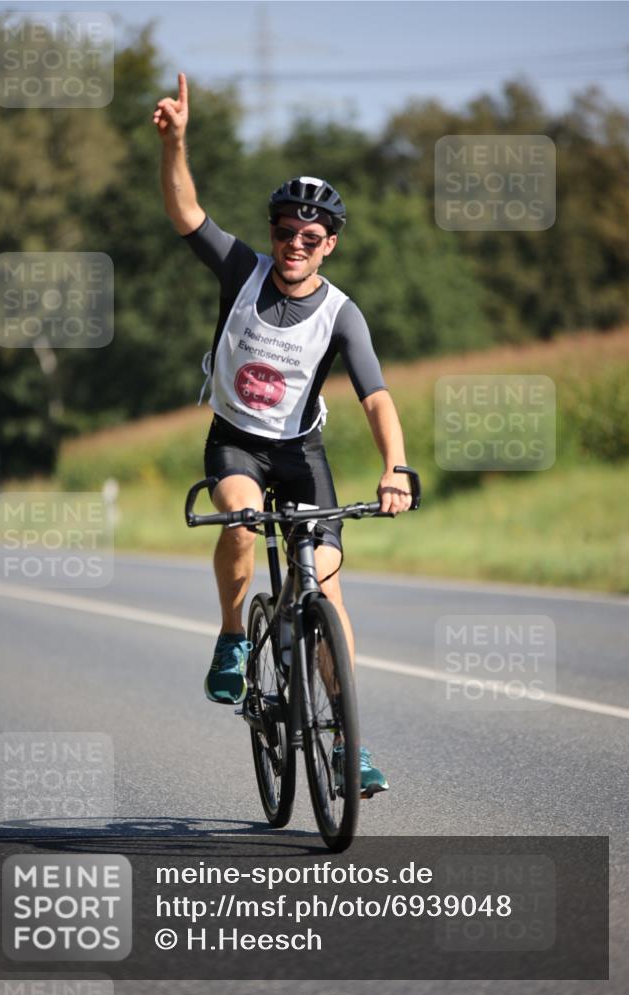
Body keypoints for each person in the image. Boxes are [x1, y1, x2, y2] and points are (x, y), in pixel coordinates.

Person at [154, 73, 412, 798]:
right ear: (271, 234)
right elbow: (185, 212)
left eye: (310, 237)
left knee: (325, 588)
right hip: (235, 440)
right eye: (283, 232)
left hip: (300, 455)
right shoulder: (243, 270)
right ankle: (233, 636)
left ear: (329, 245)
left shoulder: (341, 314)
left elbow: (376, 396)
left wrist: (395, 468)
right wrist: (175, 144)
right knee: (241, 522)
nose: (293, 244)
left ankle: (347, 742)